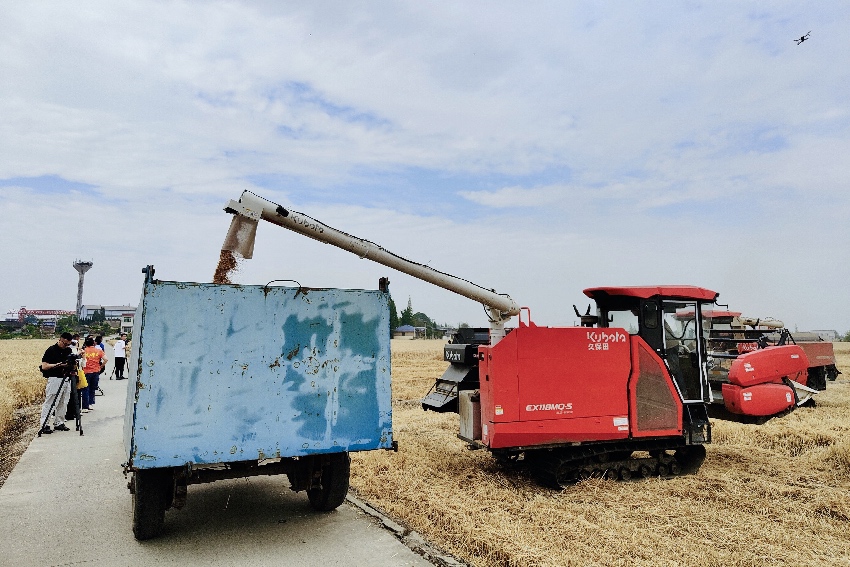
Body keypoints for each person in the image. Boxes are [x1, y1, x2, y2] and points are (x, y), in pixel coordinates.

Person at [39, 332, 75, 434]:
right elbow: (44, 366)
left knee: (63, 401)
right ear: (60, 340)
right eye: (65, 343)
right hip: (54, 378)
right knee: (51, 402)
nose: (66, 346)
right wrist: (58, 365)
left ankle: (59, 422)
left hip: (66, 378)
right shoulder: (51, 350)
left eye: (68, 344)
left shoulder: (68, 350)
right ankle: (44, 424)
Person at [81, 337, 107, 412]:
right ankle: (90, 404)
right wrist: (101, 366)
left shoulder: (83, 351)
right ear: (93, 343)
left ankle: (85, 407)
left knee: (85, 388)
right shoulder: (98, 350)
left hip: (86, 371)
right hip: (96, 371)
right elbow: (106, 359)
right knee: (92, 388)